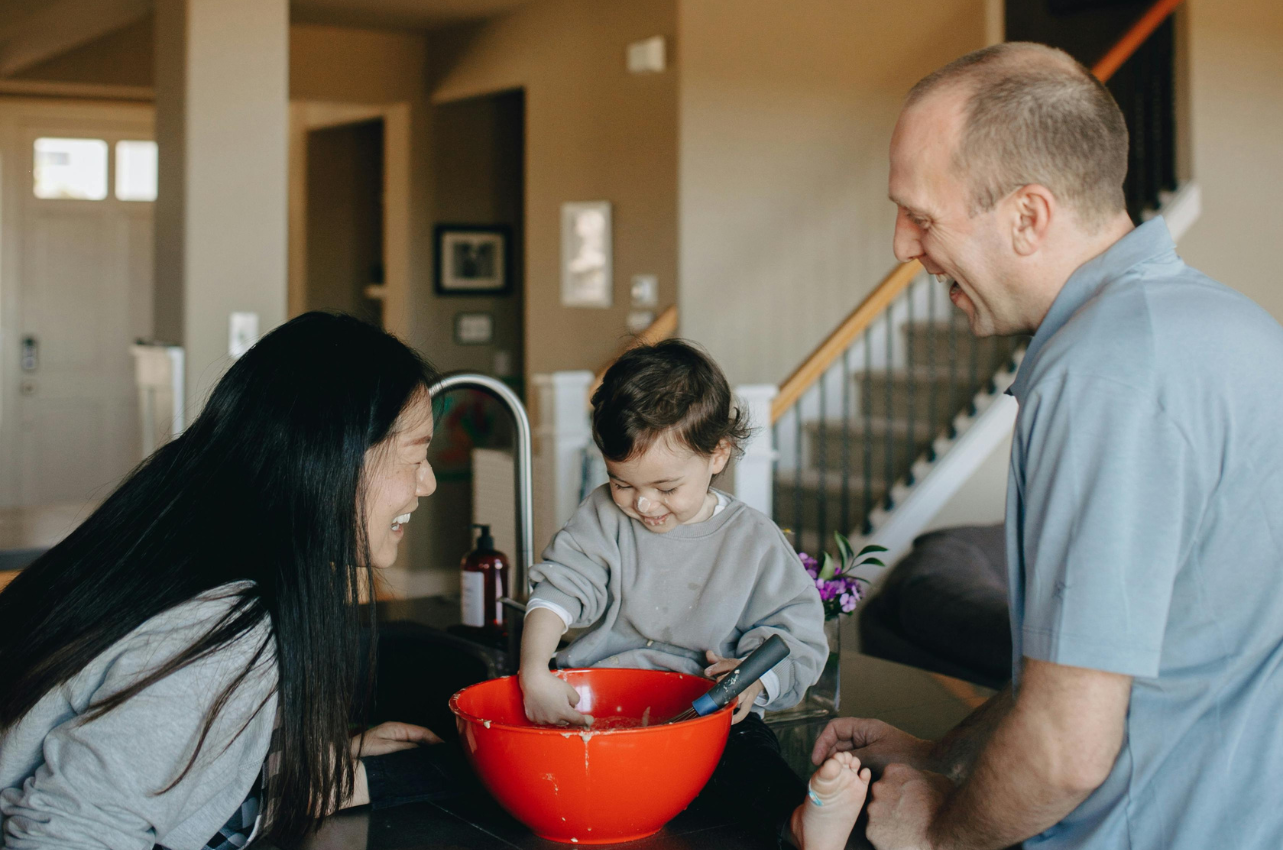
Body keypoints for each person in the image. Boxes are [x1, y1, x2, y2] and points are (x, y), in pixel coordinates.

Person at [812, 42, 1283, 850]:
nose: (901, 245)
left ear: (1028, 216)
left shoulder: (1106, 371)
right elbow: (1100, 671)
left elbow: (1067, 751)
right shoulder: (1224, 324)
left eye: (921, 216)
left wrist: (937, 834)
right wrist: (947, 754)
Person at [0, 313, 446, 849]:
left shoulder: (174, 531)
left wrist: (302, 767)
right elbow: (68, 834)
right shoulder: (223, 625)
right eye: (416, 455)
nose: (429, 482)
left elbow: (149, 751)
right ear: (333, 456)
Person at [517, 339, 870, 849]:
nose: (642, 503)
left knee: (748, 757)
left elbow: (797, 635)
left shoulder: (753, 539)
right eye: (621, 483)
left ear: (717, 453)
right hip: (602, 707)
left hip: (706, 719)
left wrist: (756, 683)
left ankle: (798, 821)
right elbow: (561, 587)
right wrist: (534, 671)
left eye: (665, 487)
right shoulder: (602, 514)